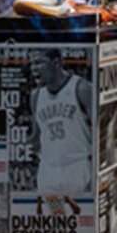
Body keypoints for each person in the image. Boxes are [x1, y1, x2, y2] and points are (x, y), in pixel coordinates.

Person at [29, 49, 94, 193]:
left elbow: (98, 132)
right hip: (48, 169)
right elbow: (36, 135)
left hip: (78, 166)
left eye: (39, 62)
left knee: (79, 214)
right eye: (32, 63)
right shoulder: (36, 96)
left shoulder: (82, 88)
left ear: (56, 63)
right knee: (50, 215)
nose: (34, 68)